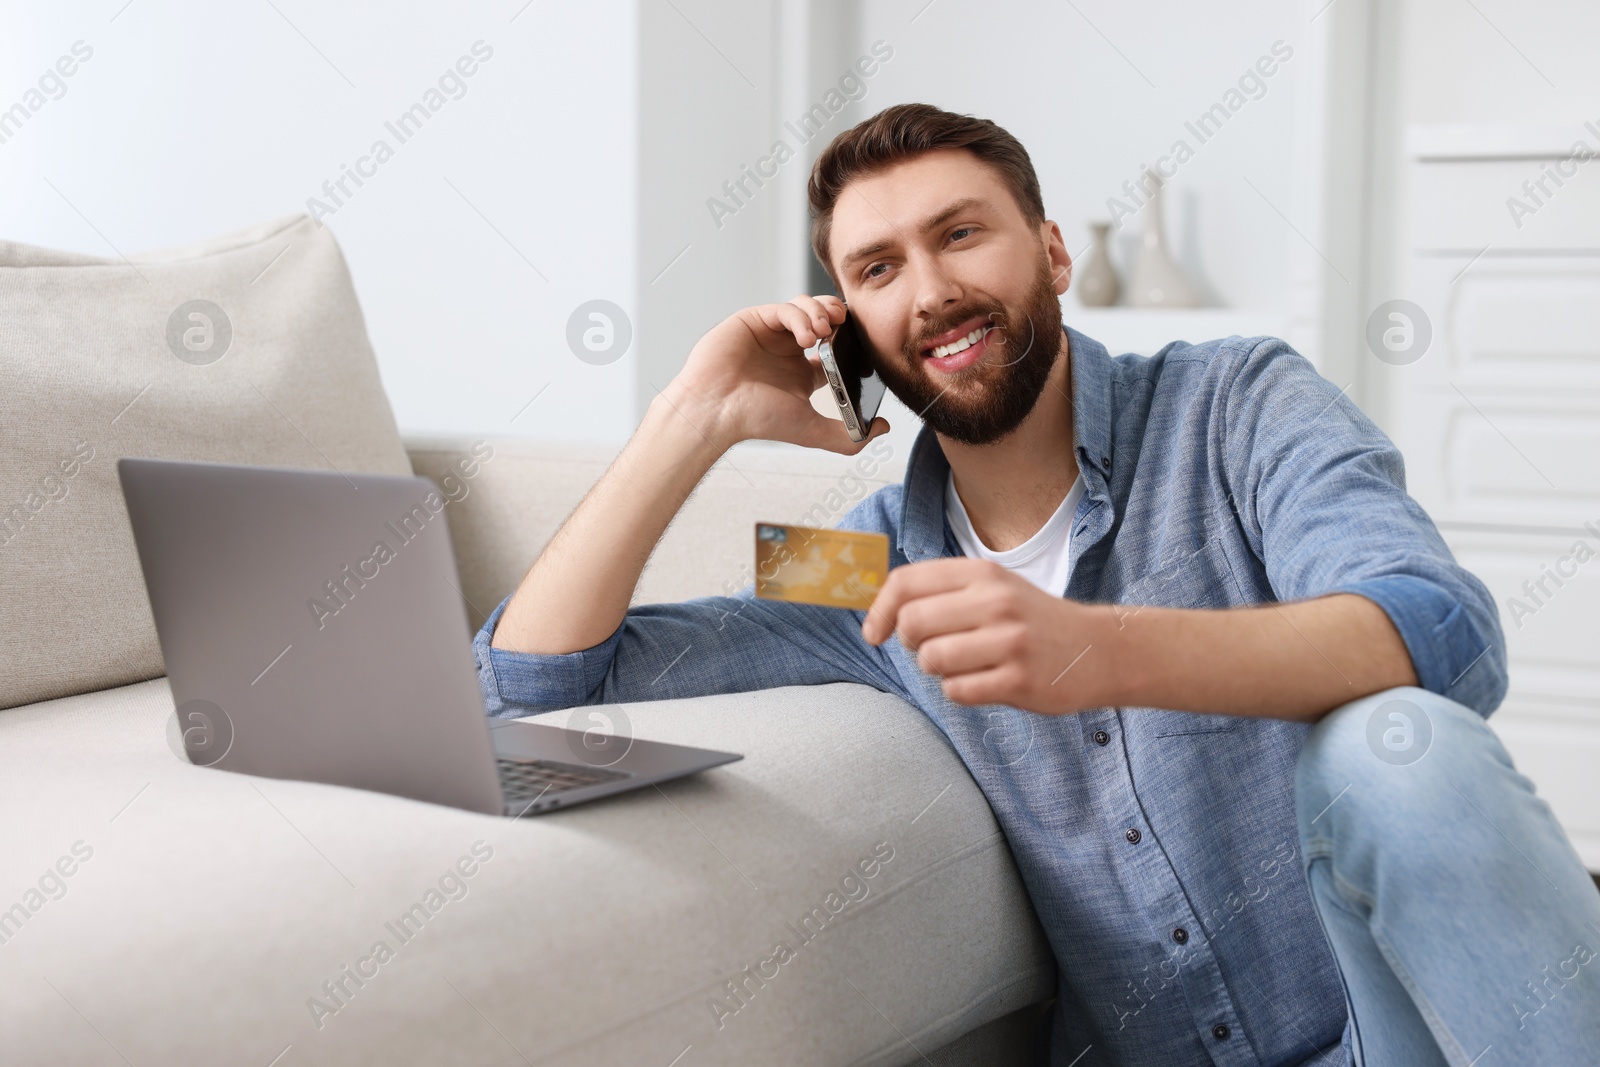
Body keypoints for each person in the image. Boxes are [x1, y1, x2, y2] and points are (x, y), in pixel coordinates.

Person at [480, 103, 1600, 1065]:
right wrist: (692, 419)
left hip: (1381, 1033)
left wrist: (1093, 648)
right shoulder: (867, 561)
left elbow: (1444, 628)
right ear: (851, 334)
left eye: (960, 235)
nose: (930, 292)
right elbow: (531, 687)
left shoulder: (1238, 400)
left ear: (1052, 253)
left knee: (1397, 744)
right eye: (877, 270)